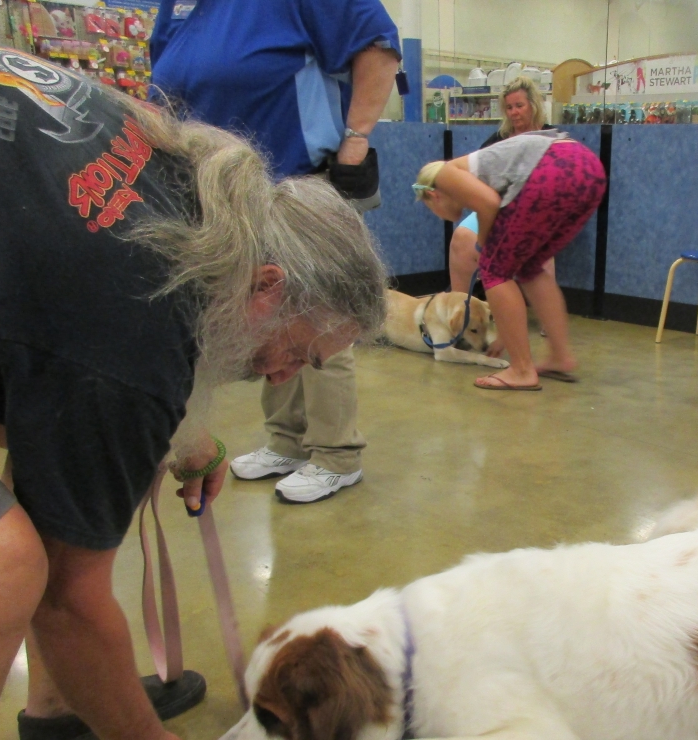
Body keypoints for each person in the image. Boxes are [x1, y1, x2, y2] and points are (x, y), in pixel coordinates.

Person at [0, 30, 386, 740]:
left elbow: (35, 367)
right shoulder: (134, 323)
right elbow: (67, 599)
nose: (284, 377)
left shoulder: (188, 182)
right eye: (300, 352)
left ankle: (58, 706)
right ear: (267, 287)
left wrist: (168, 435)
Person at [148, 0, 401, 504]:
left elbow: (379, 44)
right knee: (262, 321)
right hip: (222, 200)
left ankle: (336, 453)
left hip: (295, 179)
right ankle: (286, 440)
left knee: (320, 320)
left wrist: (354, 143)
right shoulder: (176, 6)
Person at [414, 129, 606, 391]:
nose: (439, 215)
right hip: (589, 169)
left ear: (433, 195)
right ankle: (560, 357)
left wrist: (484, 242)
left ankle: (522, 370)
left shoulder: (445, 175)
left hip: (553, 169)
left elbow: (489, 203)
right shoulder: (474, 170)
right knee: (530, 267)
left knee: (494, 269)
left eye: (432, 209)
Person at [449, 76, 553, 293]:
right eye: (509, 107)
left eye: (519, 106)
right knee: (461, 237)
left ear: (533, 105)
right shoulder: (498, 139)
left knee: (536, 246)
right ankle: (460, 305)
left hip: (535, 210)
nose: (514, 112)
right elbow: (478, 173)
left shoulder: (551, 137)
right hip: (496, 207)